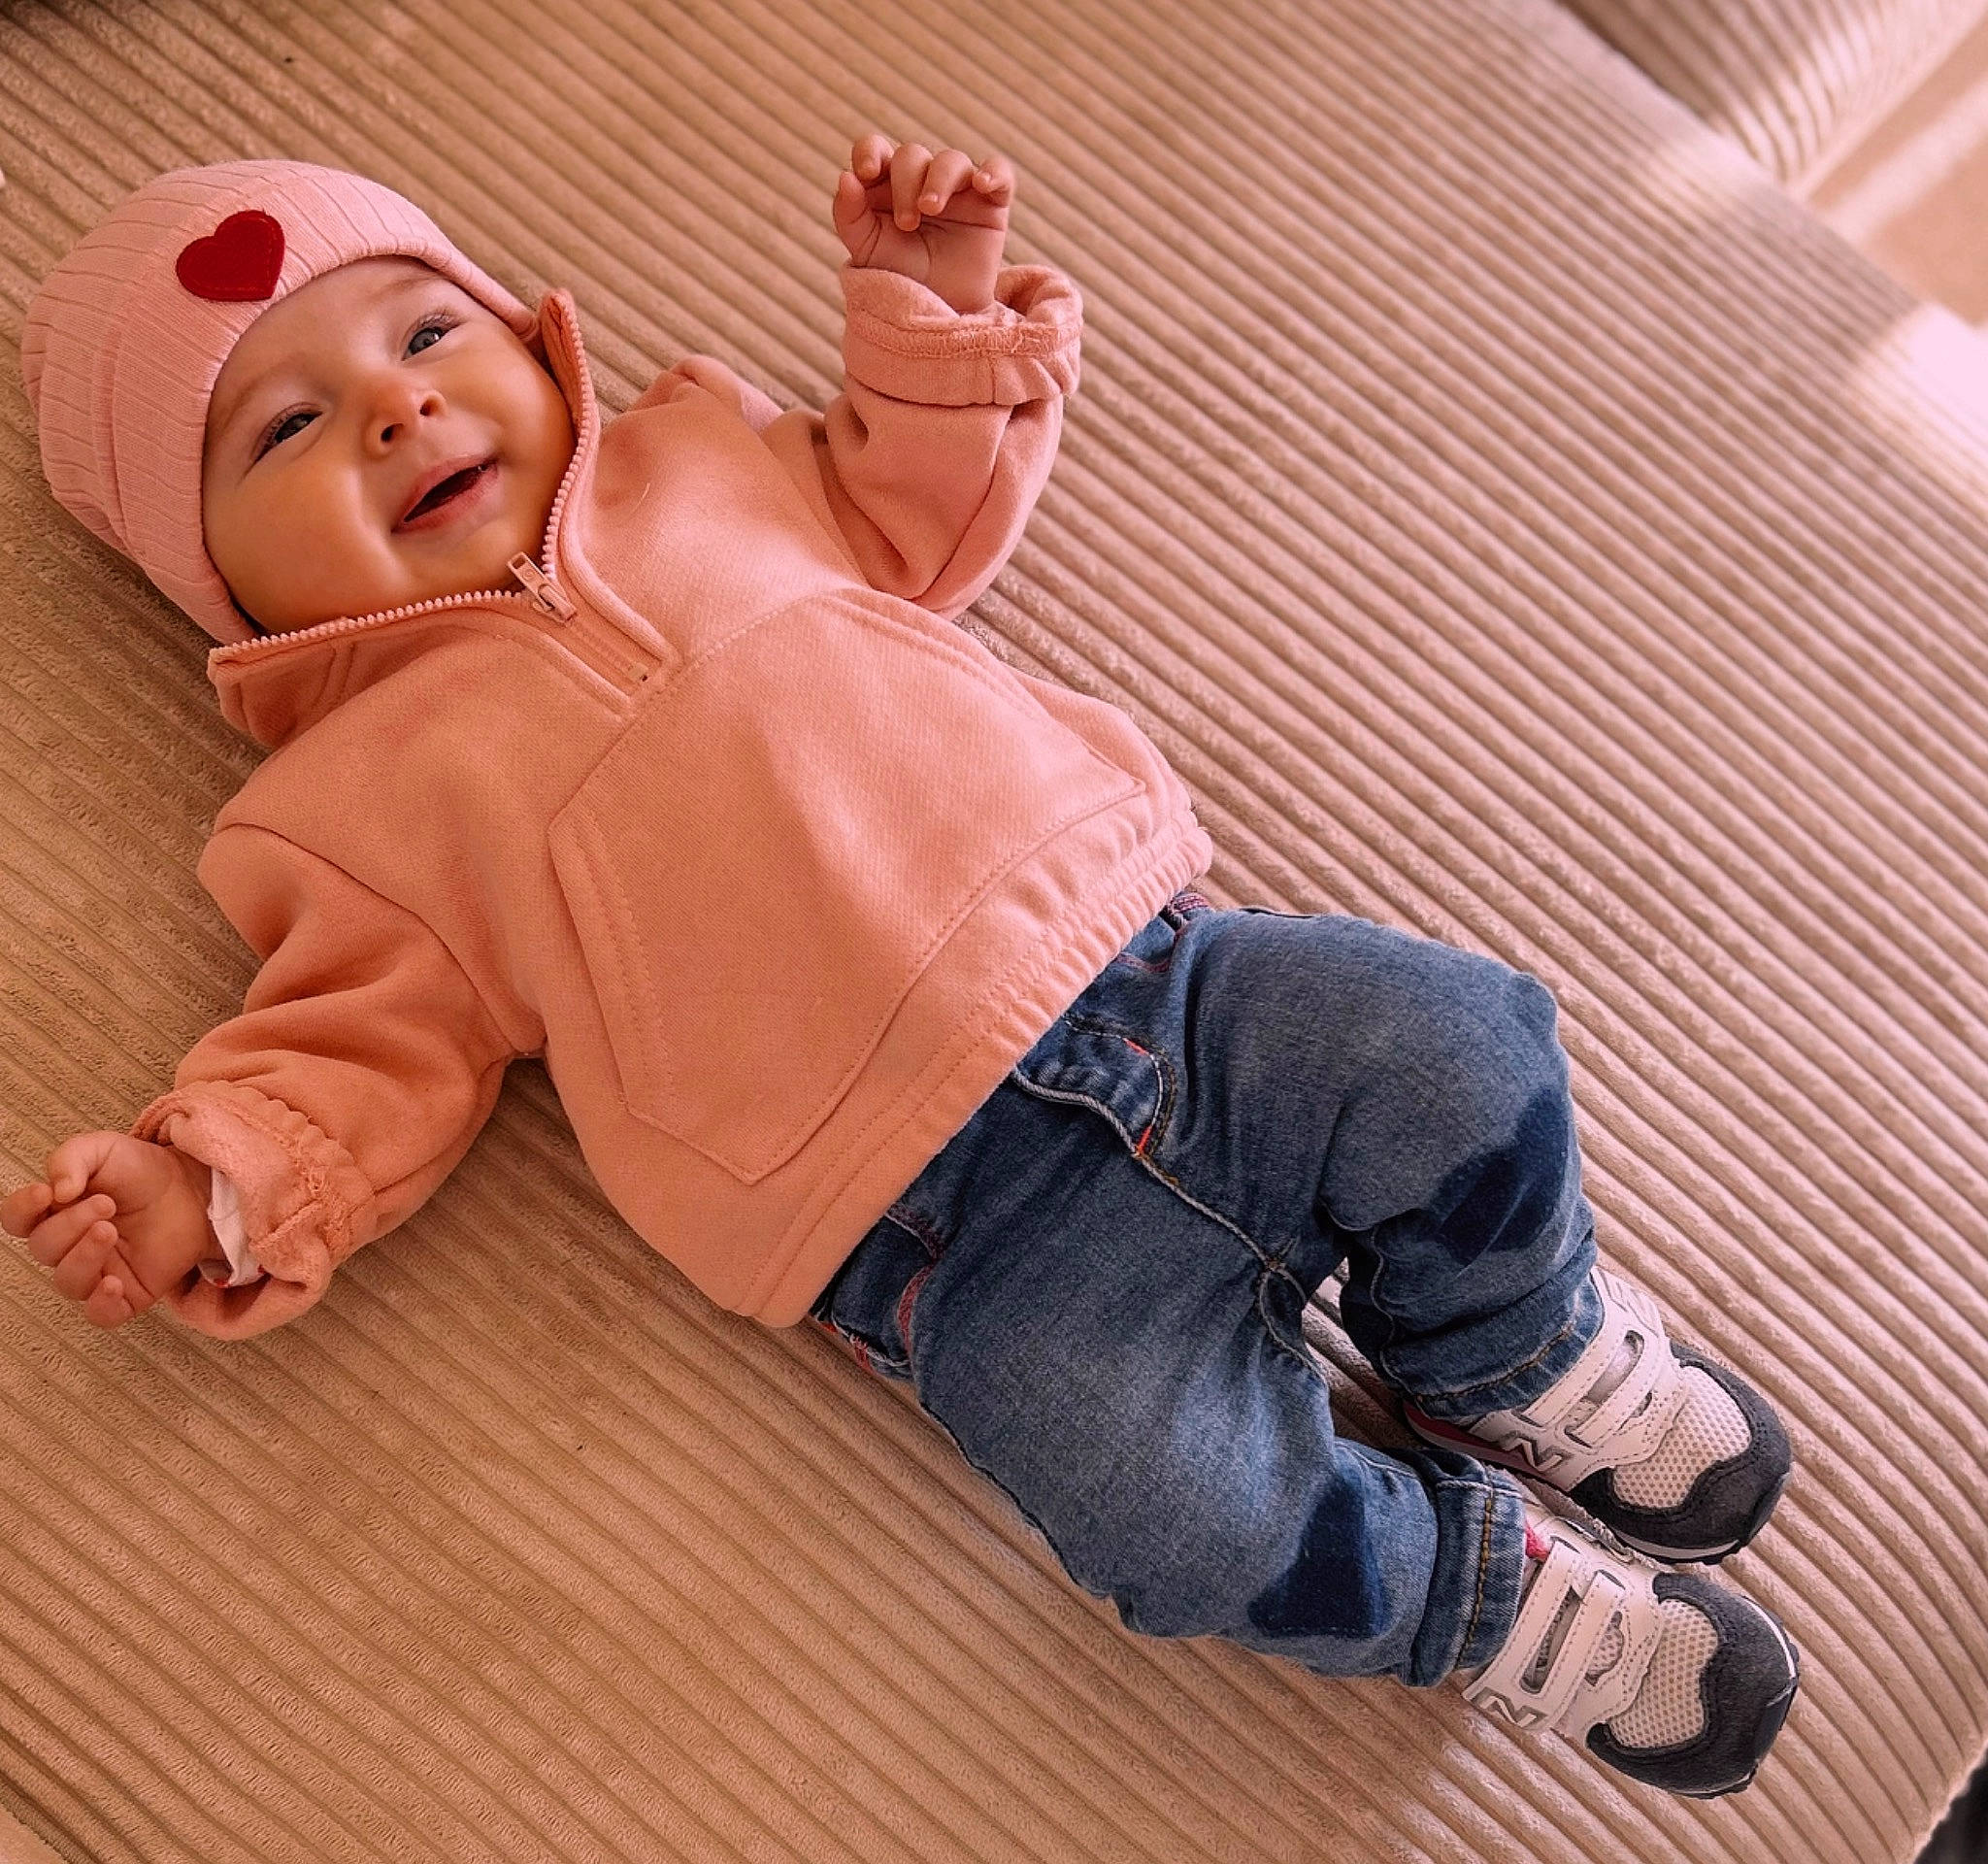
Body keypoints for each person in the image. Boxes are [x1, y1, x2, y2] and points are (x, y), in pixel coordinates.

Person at [4, 143, 1799, 1799]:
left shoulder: (704, 454)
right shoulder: (341, 812)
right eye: (289, 426)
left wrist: (930, 320)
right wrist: (205, 1188)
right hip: (944, 1238)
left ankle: (1514, 1343)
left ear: (528, 341)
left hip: (1167, 980)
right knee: (1170, 1516)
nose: (397, 408)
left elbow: (911, 509)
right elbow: (348, 1057)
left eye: (424, 332)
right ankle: (1483, 1594)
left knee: (1460, 1045)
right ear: (220, 585)